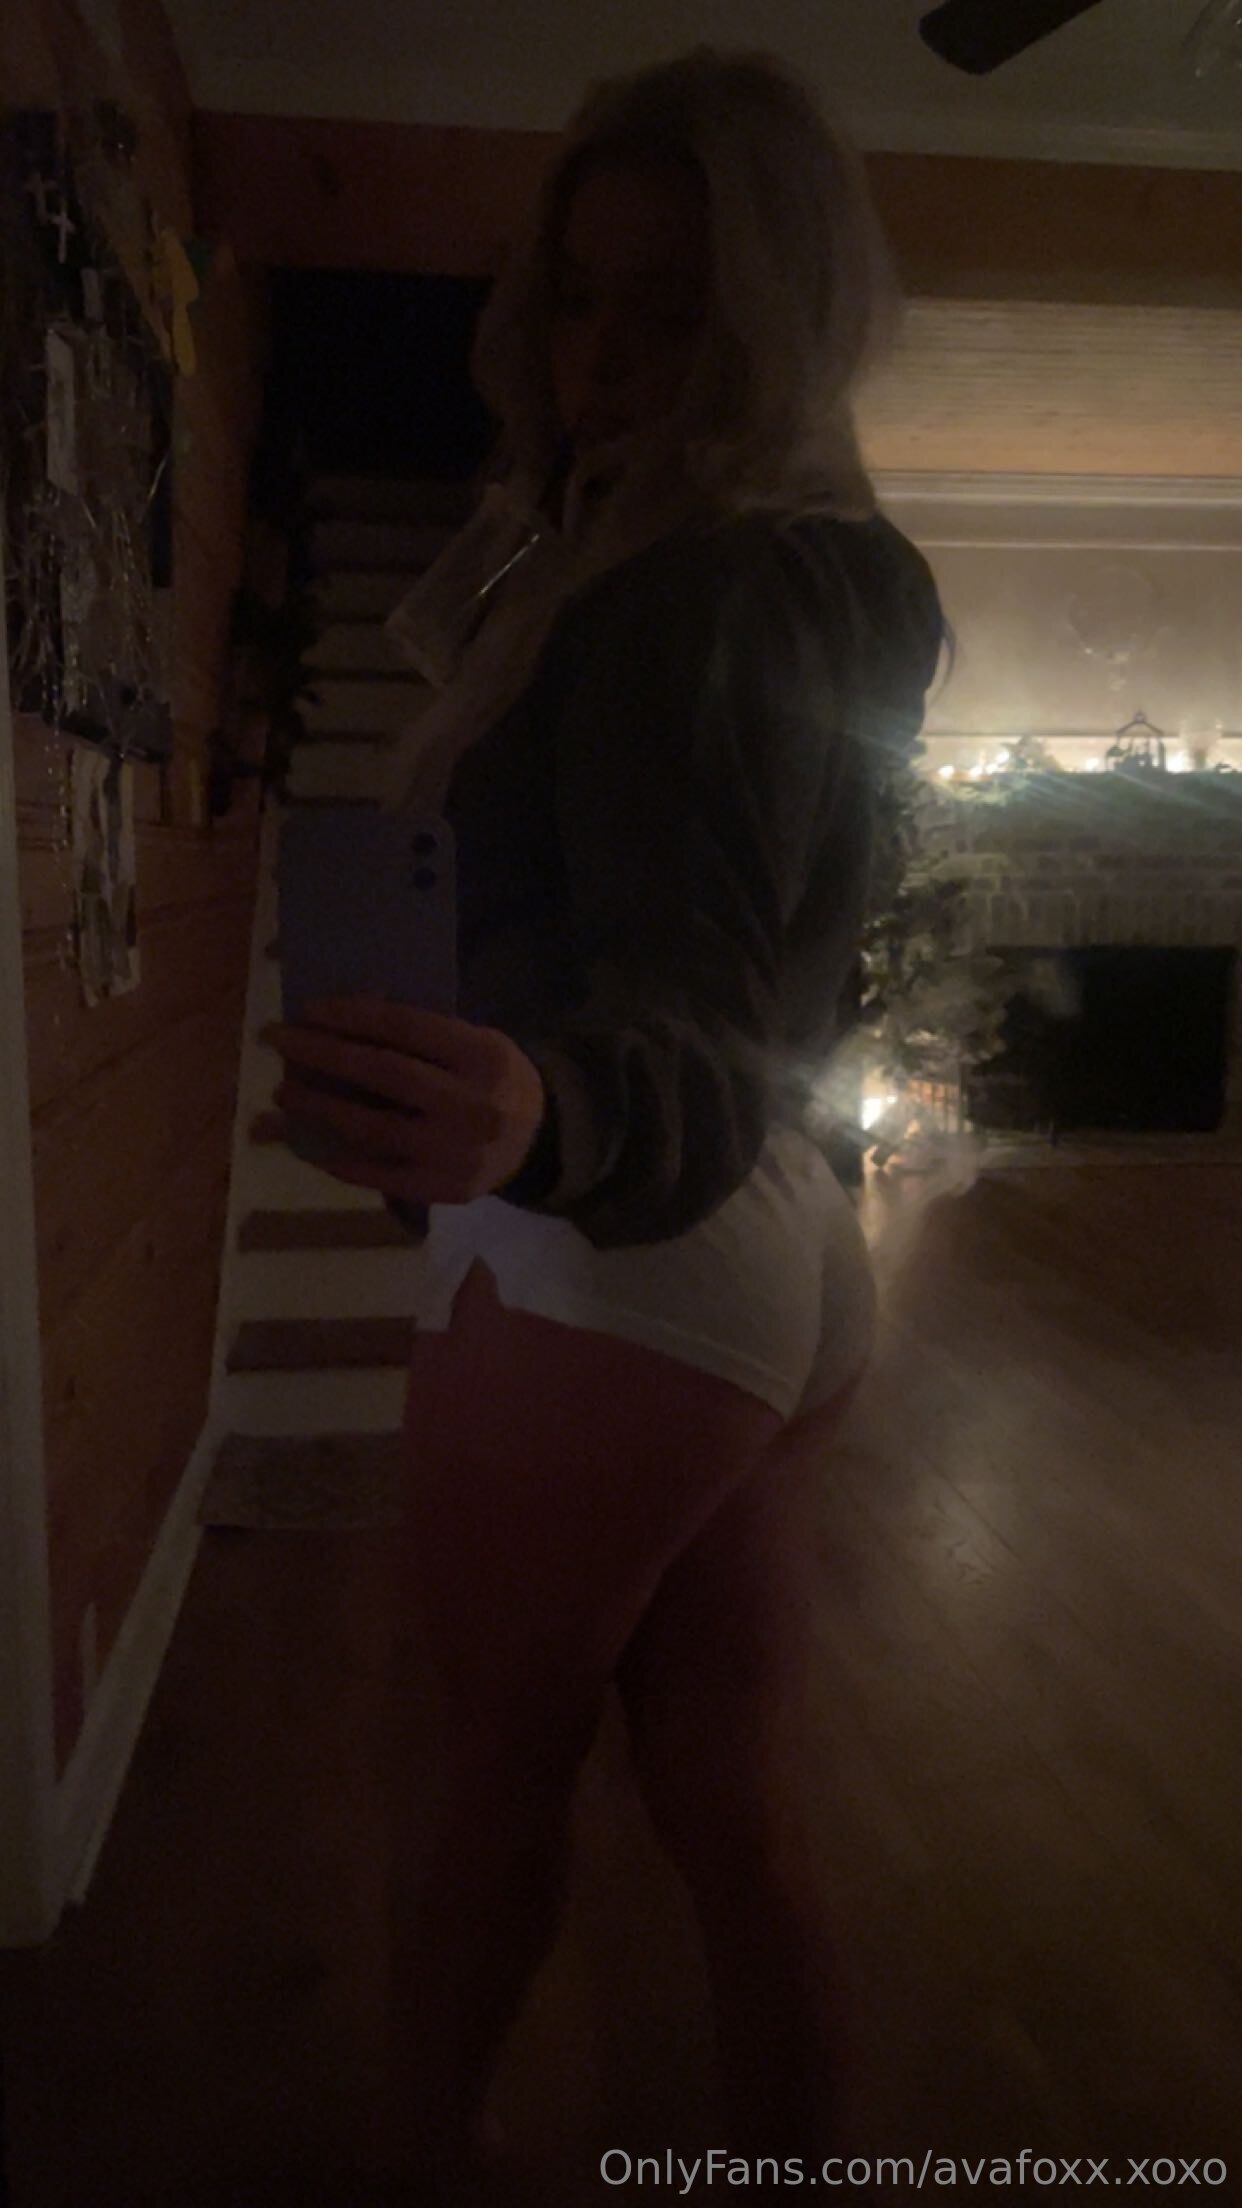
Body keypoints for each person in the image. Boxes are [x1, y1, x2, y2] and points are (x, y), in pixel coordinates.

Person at [265, 44, 945, 2203]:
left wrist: (548, 1102)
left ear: (783, 315)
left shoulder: (689, 593)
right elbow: (744, 981)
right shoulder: (813, 565)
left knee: (488, 1765)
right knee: (732, 1809)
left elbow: (686, 996)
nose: (607, 355)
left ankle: (424, 2156)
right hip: (772, 1245)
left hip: (620, 1244)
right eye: (578, 298)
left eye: (675, 307)